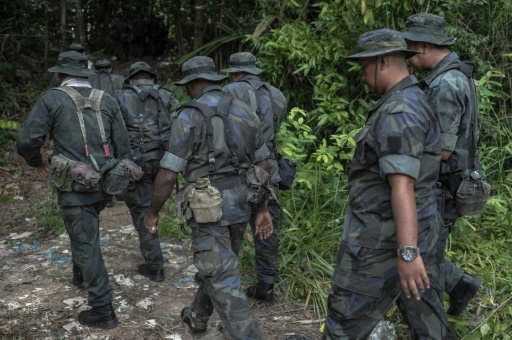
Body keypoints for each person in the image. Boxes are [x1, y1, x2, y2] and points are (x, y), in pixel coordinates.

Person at [322, 29, 452, 339]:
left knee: (343, 324)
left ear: (382, 61)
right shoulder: (410, 99)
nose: (363, 76)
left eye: (364, 67)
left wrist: (407, 254)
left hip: (380, 242)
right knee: (424, 316)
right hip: (402, 231)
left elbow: (402, 186)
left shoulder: (399, 111)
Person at [143, 56, 273, 338]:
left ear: (191, 85)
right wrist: (262, 207)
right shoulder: (244, 111)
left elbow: (168, 174)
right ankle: (197, 317)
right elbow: (263, 165)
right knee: (218, 268)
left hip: (208, 208)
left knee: (222, 276)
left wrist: (153, 212)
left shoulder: (188, 116)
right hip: (242, 202)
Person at [16, 51, 132, 329]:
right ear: (87, 75)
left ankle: (103, 309)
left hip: (74, 185)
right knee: (85, 230)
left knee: (85, 240)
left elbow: (26, 141)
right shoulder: (107, 99)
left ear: (60, 75)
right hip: (105, 184)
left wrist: (37, 162)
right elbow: (125, 148)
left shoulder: (52, 98)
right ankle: (80, 274)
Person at [403, 12, 483, 316]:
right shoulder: (457, 75)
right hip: (450, 183)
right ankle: (460, 285)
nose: (408, 58)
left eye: (410, 48)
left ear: (425, 46)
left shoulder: (445, 85)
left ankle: (432, 325)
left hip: (439, 186)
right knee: (427, 255)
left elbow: (442, 151)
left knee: (420, 259)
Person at [222, 52, 287, 305]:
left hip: (237, 169)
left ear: (234, 73)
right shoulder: (277, 94)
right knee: (266, 228)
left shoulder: (229, 91)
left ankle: (224, 284)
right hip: (269, 168)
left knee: (231, 227)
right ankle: (266, 286)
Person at [113, 61, 180, 282]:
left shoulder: (119, 96)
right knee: (155, 205)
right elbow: (182, 125)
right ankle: (155, 260)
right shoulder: (168, 95)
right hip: (165, 161)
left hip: (135, 163)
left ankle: (155, 265)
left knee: (143, 209)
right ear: (152, 78)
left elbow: (111, 129)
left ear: (131, 80)